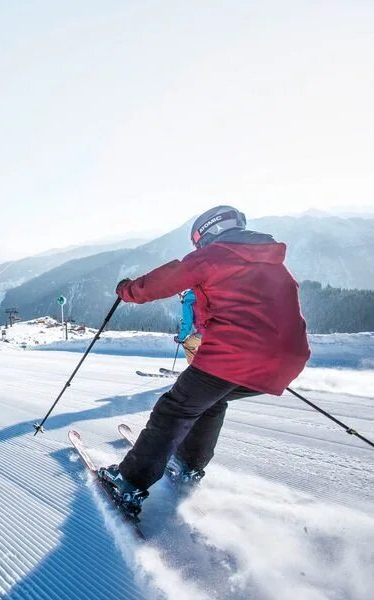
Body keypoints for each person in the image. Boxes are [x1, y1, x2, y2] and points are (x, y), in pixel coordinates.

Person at [98, 206, 310, 517]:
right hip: (287, 360)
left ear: (207, 234)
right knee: (211, 401)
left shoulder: (213, 256)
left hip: (234, 354)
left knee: (175, 408)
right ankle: (187, 466)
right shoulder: (275, 263)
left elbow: (162, 281)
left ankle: (128, 481)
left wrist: (127, 290)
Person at [177, 289, 202, 364]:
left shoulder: (188, 301)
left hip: (205, 333)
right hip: (219, 330)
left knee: (188, 344)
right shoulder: (203, 295)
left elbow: (187, 323)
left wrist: (180, 337)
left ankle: (194, 372)